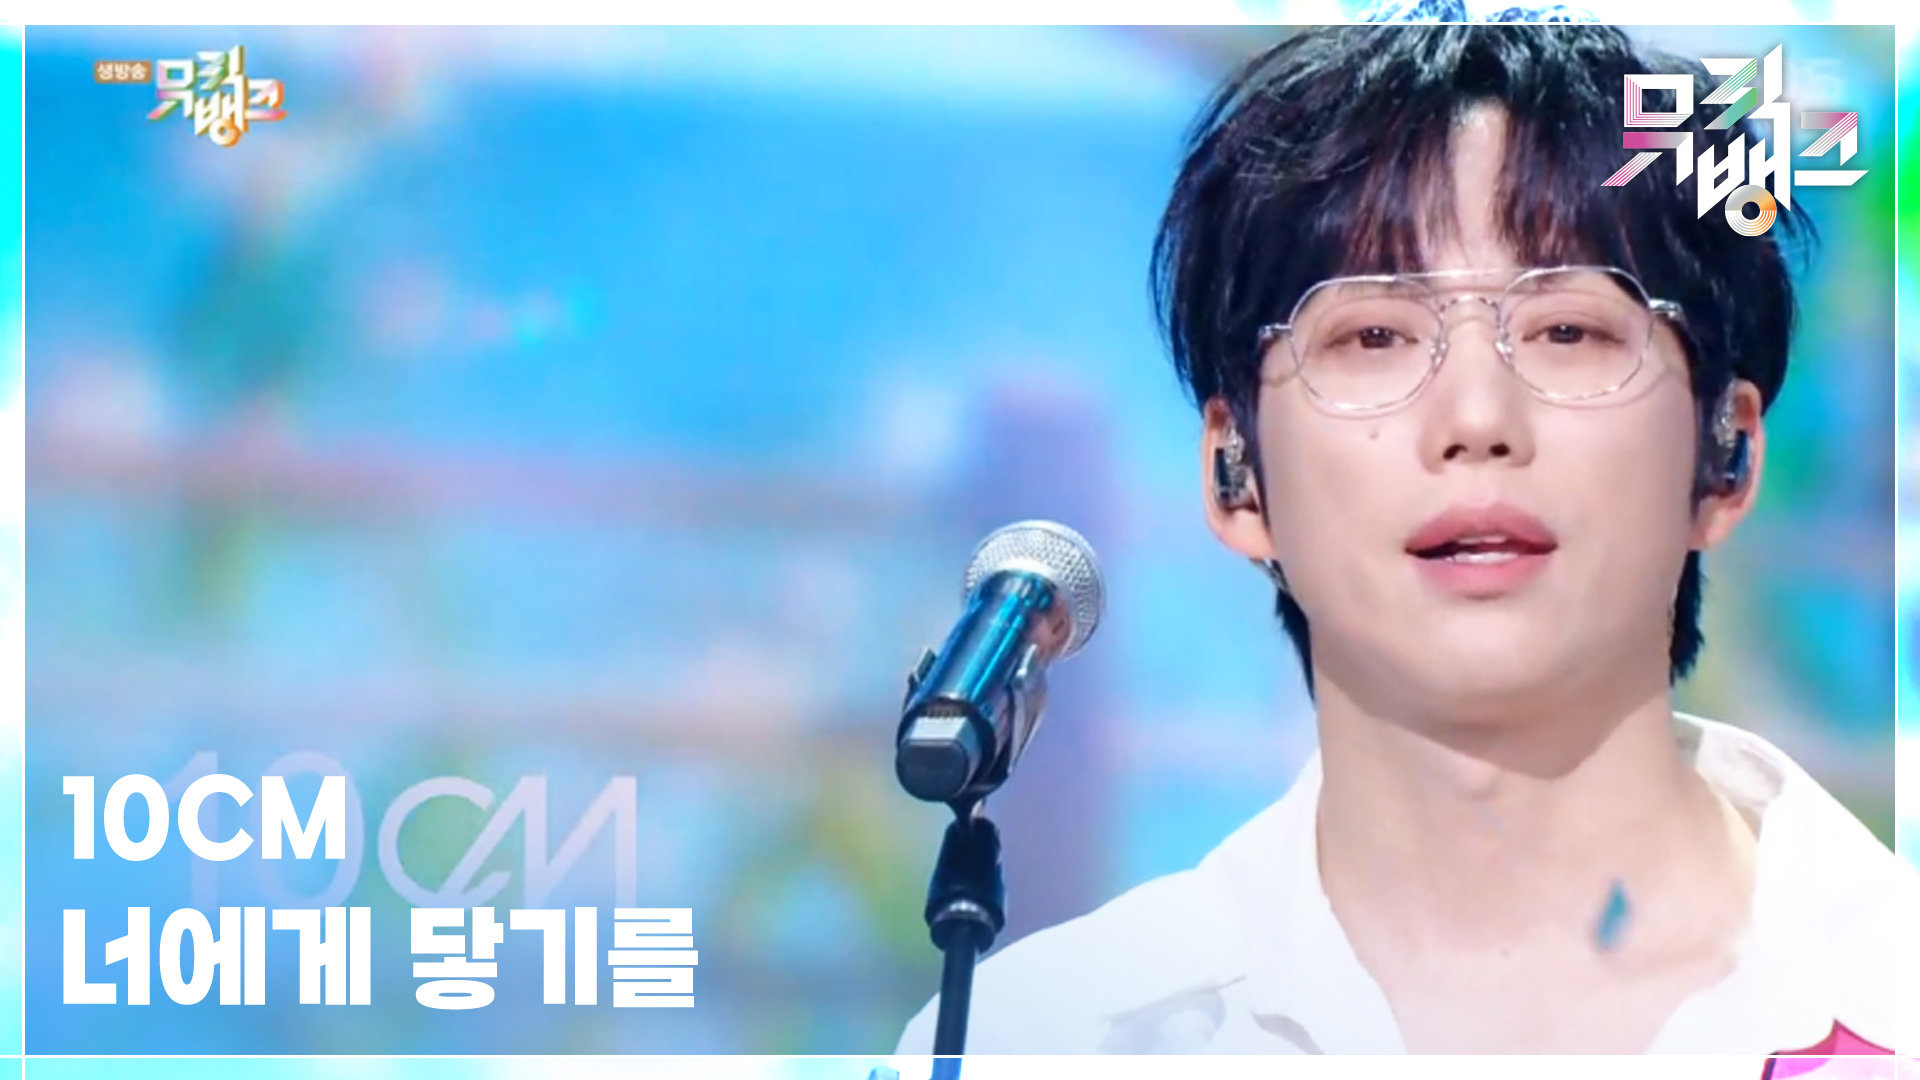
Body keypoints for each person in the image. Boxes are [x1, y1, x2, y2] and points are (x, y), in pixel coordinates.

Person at [892, 23, 1917, 1056]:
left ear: (1728, 452)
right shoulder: (1038, 1044)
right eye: (1373, 335)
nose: (1476, 418)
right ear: (1234, 473)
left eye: (1568, 331)